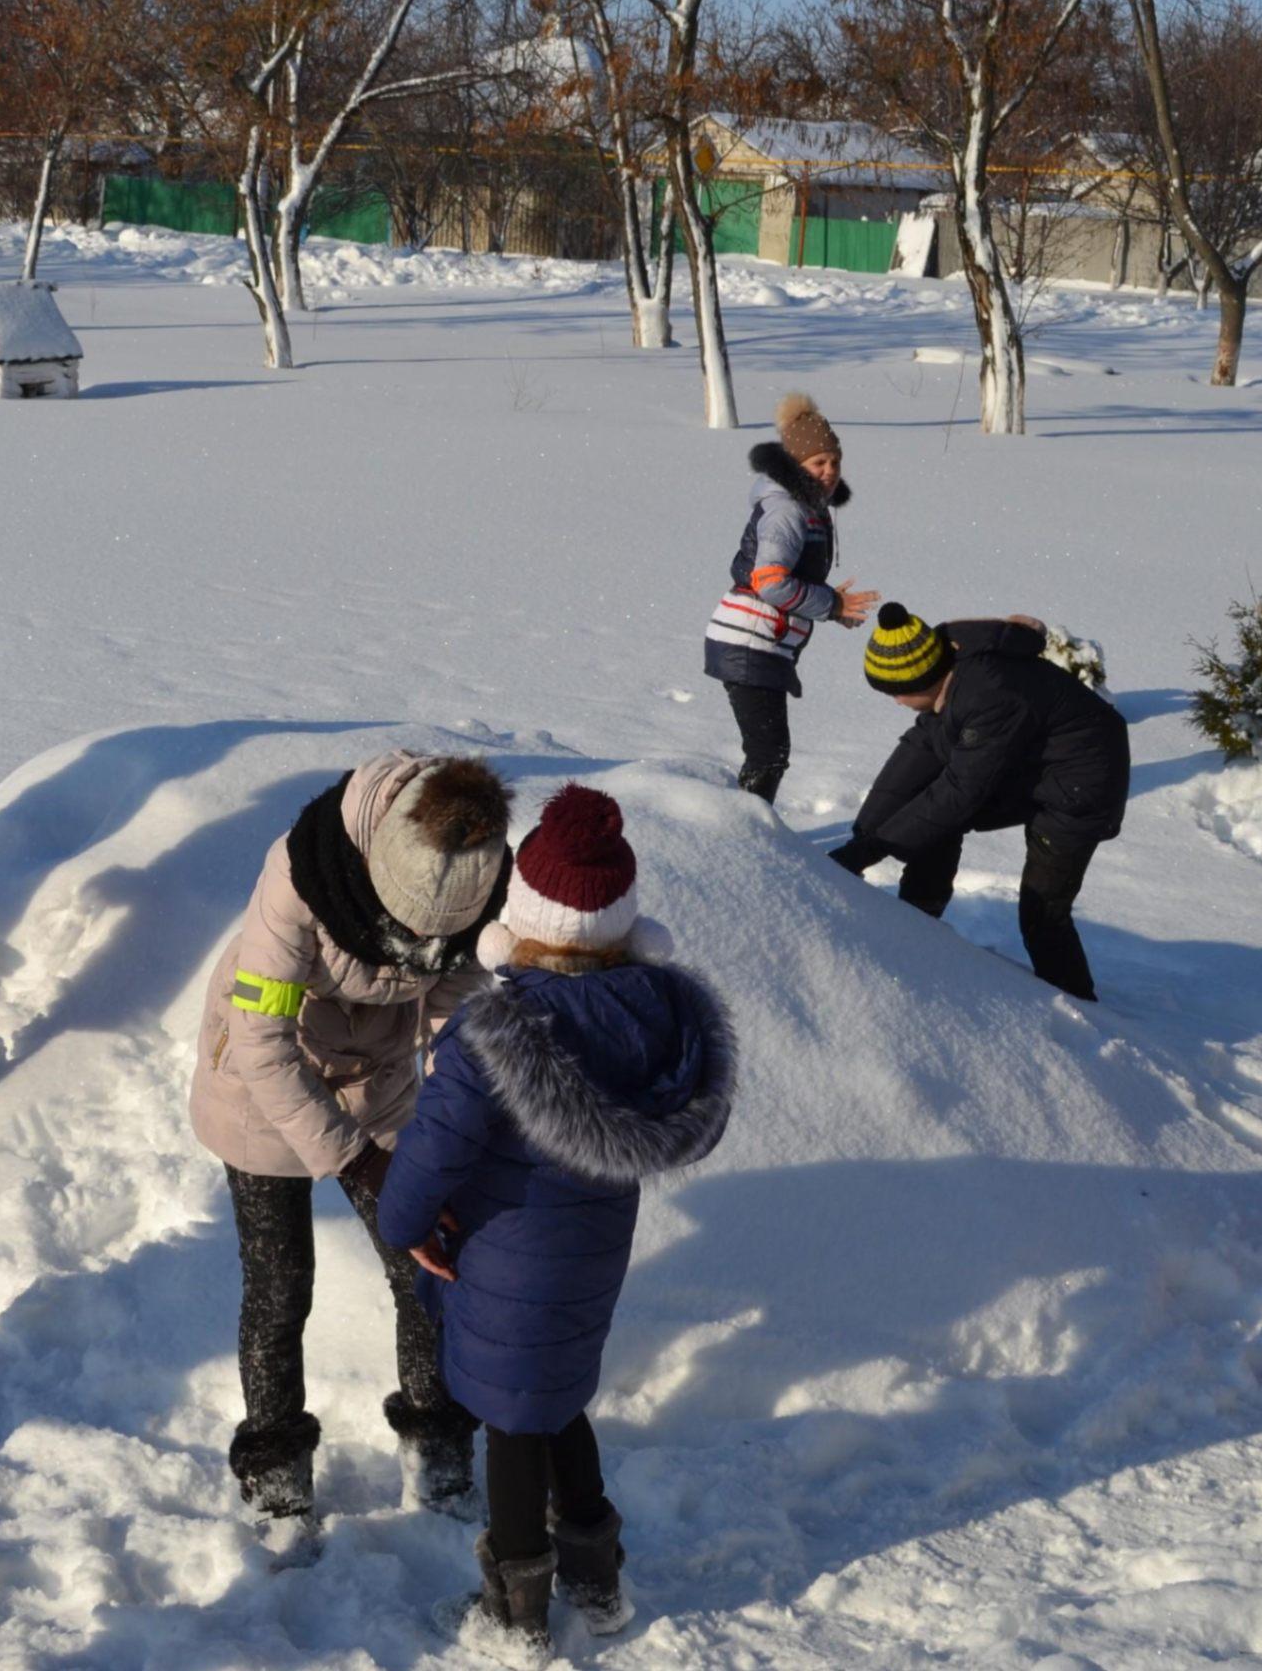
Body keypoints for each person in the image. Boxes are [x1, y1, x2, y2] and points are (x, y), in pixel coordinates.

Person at [378, 784, 735, 1655]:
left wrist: (405, 1225)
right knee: (558, 1402)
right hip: (589, 1262)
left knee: (512, 1429)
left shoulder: (495, 1031)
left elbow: (432, 1154)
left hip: (504, 1261)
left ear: (523, 913)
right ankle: (598, 1583)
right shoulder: (658, 1018)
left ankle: (518, 1616)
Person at [189, 752, 514, 1525]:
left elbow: (455, 1012)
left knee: (423, 1265)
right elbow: (262, 1037)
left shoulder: (482, 869)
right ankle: (276, 1473)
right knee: (280, 1285)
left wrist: (448, 1121)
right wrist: (357, 1161)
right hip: (264, 1082)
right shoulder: (299, 876)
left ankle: (436, 1451)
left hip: (381, 1077)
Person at [829, 607, 1130, 1001]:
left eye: (896, 692)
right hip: (1031, 764)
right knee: (933, 819)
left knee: (1042, 913)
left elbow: (962, 790)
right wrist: (865, 833)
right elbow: (921, 749)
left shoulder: (990, 695)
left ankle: (1078, 1007)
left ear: (923, 680)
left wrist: (874, 848)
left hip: (1081, 787)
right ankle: (917, 922)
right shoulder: (951, 672)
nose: (895, 702)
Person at [701, 392, 878, 804]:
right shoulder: (788, 511)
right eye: (819, 463)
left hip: (761, 643)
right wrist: (830, 604)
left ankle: (750, 827)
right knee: (769, 755)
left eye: (835, 462)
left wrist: (833, 608)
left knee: (769, 754)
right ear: (796, 465)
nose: (830, 471)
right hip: (748, 642)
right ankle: (747, 834)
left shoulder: (807, 508)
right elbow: (770, 581)